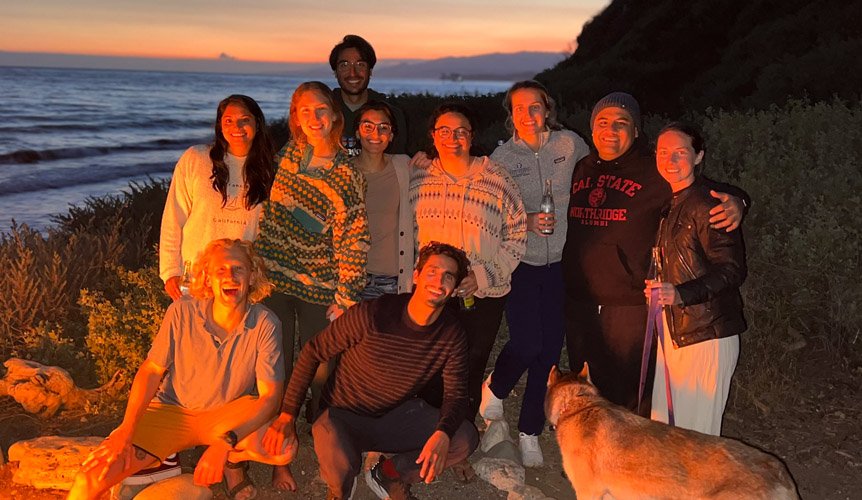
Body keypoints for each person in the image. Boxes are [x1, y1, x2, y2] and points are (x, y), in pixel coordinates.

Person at [561, 92, 749, 417]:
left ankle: (632, 464)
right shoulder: (580, 169)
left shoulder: (655, 170)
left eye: (622, 123)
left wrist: (739, 201)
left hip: (631, 306)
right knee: (589, 393)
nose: (611, 130)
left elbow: (701, 190)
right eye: (602, 122)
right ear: (591, 129)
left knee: (634, 403)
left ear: (636, 131)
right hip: (580, 303)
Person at [67, 239, 291, 500]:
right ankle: (159, 461)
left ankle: (230, 461)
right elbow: (151, 371)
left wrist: (225, 443)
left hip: (227, 412)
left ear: (252, 277)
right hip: (171, 411)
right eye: (221, 270)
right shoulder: (181, 313)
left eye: (238, 268)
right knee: (90, 478)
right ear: (207, 279)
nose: (230, 276)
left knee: (283, 448)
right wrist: (127, 430)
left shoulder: (265, 323)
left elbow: (270, 398)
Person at [262, 242, 479, 500]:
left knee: (464, 438)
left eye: (448, 276)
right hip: (343, 416)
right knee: (339, 465)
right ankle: (341, 485)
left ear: (454, 289)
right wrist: (287, 414)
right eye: (432, 271)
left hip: (394, 417)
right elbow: (313, 351)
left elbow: (455, 394)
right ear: (416, 276)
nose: (438, 281)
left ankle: (389, 473)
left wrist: (442, 433)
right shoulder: (374, 313)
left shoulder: (451, 334)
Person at [255, 80, 369, 491]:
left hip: (322, 288)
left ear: (335, 115)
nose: (314, 118)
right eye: (305, 111)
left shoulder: (346, 172)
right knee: (276, 369)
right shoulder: (287, 155)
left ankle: (322, 442)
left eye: (321, 110)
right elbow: (267, 214)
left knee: (321, 375)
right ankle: (279, 456)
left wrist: (346, 296)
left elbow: (354, 236)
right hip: (275, 282)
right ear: (296, 117)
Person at [479, 81, 591, 467]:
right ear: (510, 115)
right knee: (526, 343)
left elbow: (599, 175)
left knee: (547, 351)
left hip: (562, 264)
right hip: (523, 263)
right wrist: (523, 219)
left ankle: (530, 431)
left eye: (536, 106)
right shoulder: (501, 159)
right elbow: (488, 215)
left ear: (548, 108)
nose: (529, 115)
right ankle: (495, 386)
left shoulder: (570, 145)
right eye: (520, 108)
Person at [410, 102, 527, 425]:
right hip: (431, 290)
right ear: (433, 136)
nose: (453, 138)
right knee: (428, 360)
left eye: (461, 131)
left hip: (483, 291)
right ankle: (423, 428)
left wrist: (482, 275)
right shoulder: (418, 177)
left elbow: (517, 234)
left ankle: (458, 431)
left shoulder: (496, 178)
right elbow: (406, 232)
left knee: (471, 362)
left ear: (471, 136)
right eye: (444, 131)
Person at [646, 122, 747, 435]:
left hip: (706, 334)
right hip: (677, 330)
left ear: (698, 155)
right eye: (664, 152)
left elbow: (732, 270)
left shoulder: (708, 204)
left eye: (680, 152)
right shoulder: (672, 203)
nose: (671, 160)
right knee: (668, 431)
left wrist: (680, 294)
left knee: (697, 438)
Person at [160, 95, 274, 301]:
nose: (236, 127)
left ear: (257, 123)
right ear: (220, 125)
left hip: (240, 285)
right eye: (228, 120)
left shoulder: (270, 169)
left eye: (244, 120)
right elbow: (174, 217)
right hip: (195, 281)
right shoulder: (196, 158)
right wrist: (170, 271)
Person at [351, 100, 415, 300]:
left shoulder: (403, 165)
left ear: (391, 135)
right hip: (352, 280)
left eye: (383, 127)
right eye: (367, 126)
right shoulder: (342, 172)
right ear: (357, 132)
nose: (375, 134)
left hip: (394, 280)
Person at [329, 34, 408, 154]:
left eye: (360, 65)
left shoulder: (391, 114)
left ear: (370, 71)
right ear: (335, 72)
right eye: (344, 65)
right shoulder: (322, 111)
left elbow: (398, 162)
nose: (353, 73)